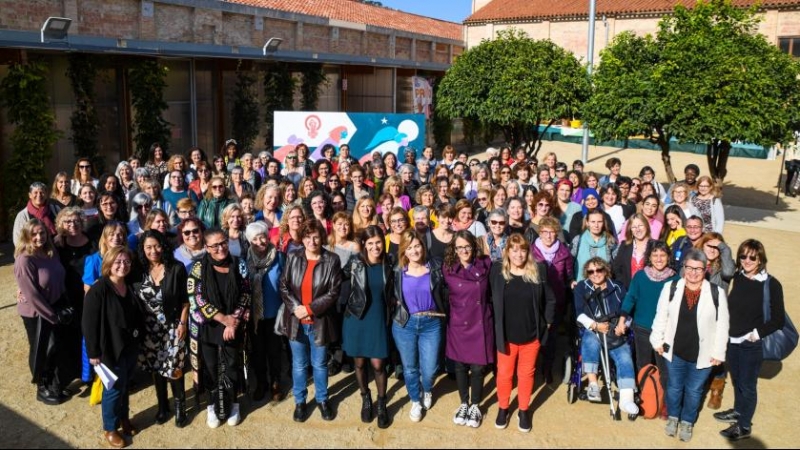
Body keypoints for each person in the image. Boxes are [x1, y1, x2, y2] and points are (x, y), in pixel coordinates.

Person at [650, 249, 729, 442]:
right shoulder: (671, 287)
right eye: (689, 268)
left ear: (705, 270)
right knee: (675, 387)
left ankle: (687, 421)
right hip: (675, 351)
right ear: (683, 268)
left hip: (702, 354)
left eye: (698, 269)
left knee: (694, 391)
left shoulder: (715, 293)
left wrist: (719, 351)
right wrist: (657, 340)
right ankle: (673, 417)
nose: (693, 273)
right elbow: (661, 316)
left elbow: (722, 325)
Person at [716, 240, 785, 441]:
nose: (747, 260)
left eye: (752, 257)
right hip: (732, 341)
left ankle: (744, 425)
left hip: (750, 344)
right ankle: (738, 411)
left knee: (748, 385)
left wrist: (756, 334)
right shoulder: (738, 277)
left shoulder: (771, 284)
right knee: (737, 380)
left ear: (761, 259)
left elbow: (778, 320)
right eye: (743, 256)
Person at [278, 219, 342, 423]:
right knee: (299, 364)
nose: (312, 240)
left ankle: (322, 400)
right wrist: (297, 309)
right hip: (296, 322)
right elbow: (284, 285)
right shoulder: (293, 256)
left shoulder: (331, 260)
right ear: (303, 238)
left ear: (322, 237)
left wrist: (310, 308)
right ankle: (300, 401)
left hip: (319, 322)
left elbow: (333, 292)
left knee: (320, 364)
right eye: (307, 236)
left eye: (316, 236)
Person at [491, 233, 556, 432]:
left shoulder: (538, 271)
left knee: (526, 375)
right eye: (514, 249)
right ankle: (503, 408)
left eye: (523, 249)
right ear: (507, 252)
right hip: (506, 337)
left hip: (531, 336)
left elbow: (551, 300)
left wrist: (547, 324)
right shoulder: (497, 273)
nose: (519, 254)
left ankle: (523, 409)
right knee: (504, 374)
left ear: (528, 251)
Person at [188, 228, 251, 428]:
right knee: (210, 368)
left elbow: (246, 293)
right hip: (209, 325)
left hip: (233, 324)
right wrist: (223, 319)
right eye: (214, 245)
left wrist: (234, 322)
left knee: (231, 366)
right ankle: (211, 405)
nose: (220, 248)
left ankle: (233, 403)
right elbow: (196, 298)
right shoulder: (198, 267)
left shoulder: (238, 263)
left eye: (223, 242)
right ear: (206, 248)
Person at [82, 246, 143, 448]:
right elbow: (88, 324)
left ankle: (124, 419)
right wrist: (93, 353)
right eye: (117, 262)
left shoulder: (129, 286)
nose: (122, 265)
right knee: (114, 390)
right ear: (108, 264)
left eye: (126, 261)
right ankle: (110, 428)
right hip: (109, 349)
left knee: (125, 386)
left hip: (129, 346)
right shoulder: (99, 290)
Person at [134, 230, 189, 428]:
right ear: (142, 249)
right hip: (148, 330)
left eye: (157, 246)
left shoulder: (176, 268)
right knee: (156, 370)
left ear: (163, 246)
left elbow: (185, 300)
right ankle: (162, 406)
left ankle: (180, 407)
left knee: (174, 369)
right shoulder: (138, 270)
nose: (153, 251)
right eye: (148, 247)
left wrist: (183, 323)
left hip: (173, 326)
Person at [341, 226, 394, 428]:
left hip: (379, 318)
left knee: (378, 365)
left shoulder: (389, 262)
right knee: (360, 363)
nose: (375, 247)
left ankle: (381, 403)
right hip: (356, 318)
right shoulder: (355, 262)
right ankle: (365, 397)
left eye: (378, 242)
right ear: (363, 244)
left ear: (384, 241)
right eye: (370, 243)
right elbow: (335, 278)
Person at [573, 257, 639, 416]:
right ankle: (593, 384)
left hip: (615, 329)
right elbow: (579, 314)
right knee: (589, 340)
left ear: (606, 270)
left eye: (599, 270)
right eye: (591, 271)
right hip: (594, 328)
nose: (595, 274)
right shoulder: (582, 287)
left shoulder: (617, 287)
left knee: (624, 356)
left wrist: (623, 326)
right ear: (587, 274)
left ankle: (626, 399)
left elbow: (628, 310)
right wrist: (596, 326)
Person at [392, 230, 446, 422]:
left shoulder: (435, 267)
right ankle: (415, 399)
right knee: (410, 367)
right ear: (404, 251)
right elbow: (389, 293)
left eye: (417, 246)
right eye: (409, 247)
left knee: (430, 368)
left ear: (423, 247)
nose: (414, 250)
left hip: (431, 323)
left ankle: (427, 389)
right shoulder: (398, 271)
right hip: (405, 323)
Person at [14, 219, 69, 406]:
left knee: (55, 348)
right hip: (36, 313)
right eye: (34, 234)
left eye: (42, 233)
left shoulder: (50, 252)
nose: (39, 237)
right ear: (27, 236)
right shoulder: (25, 259)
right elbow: (31, 294)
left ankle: (54, 384)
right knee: (42, 350)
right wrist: (52, 315)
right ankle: (41, 386)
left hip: (54, 306)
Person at [443, 230, 494, 428]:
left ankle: (475, 405)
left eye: (467, 246)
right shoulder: (448, 268)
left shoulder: (485, 264)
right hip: (459, 323)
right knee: (460, 366)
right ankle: (463, 403)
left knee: (478, 368)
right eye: (460, 247)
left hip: (480, 321)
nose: (464, 250)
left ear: (473, 246)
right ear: (454, 249)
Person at [617, 241, 678, 400]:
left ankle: (666, 401)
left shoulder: (676, 279)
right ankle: (644, 396)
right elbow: (630, 298)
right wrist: (622, 319)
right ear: (649, 257)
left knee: (664, 368)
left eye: (663, 255)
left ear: (668, 257)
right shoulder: (640, 276)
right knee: (643, 364)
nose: (659, 258)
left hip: (664, 332)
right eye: (655, 255)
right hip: (642, 328)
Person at [244, 221, 285, 403]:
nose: (260, 241)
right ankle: (261, 383)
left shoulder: (279, 257)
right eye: (255, 238)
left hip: (276, 314)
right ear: (249, 241)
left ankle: (276, 383)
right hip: (255, 317)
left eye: (262, 237)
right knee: (258, 352)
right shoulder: (246, 260)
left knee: (275, 351)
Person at [53, 208, 94, 390]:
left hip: (89, 297)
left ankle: (90, 373)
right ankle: (76, 373)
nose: (73, 225)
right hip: (68, 298)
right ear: (61, 224)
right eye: (68, 222)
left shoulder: (92, 243)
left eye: (76, 221)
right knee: (71, 337)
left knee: (89, 335)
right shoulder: (58, 245)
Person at [531, 217, 574, 382]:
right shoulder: (531, 251)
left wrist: (571, 283)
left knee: (551, 337)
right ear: (540, 233)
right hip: (535, 300)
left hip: (556, 300)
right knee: (534, 336)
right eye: (545, 232)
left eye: (552, 232)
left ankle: (547, 368)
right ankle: (532, 368)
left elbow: (568, 276)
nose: (548, 236)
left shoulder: (564, 253)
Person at [611, 214, 657, 289]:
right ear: (630, 230)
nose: (638, 229)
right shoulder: (625, 245)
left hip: (650, 290)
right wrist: (622, 285)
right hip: (628, 291)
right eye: (634, 227)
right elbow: (617, 267)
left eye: (640, 225)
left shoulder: (656, 245)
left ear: (646, 226)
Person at [571, 209, 618, 281]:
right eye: (593, 222)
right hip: (581, 285)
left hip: (605, 285)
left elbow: (617, 265)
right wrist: (571, 280)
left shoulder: (610, 241)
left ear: (603, 223)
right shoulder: (578, 240)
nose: (596, 225)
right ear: (587, 223)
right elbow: (570, 262)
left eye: (599, 222)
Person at [13, 182, 61, 247]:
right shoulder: (23, 215)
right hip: (33, 253)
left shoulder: (55, 209)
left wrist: (60, 235)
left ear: (46, 194)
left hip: (56, 250)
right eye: (35, 193)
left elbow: (64, 228)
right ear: (30, 195)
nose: (39, 195)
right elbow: (18, 240)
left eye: (42, 192)